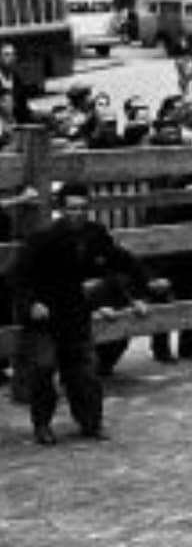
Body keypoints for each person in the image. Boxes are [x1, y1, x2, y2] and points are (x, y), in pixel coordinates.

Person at [10, 182, 151, 445]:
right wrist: (31, 304)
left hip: (76, 313)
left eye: (83, 208)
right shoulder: (43, 238)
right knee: (43, 368)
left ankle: (90, 422)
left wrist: (141, 292)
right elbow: (18, 275)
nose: (77, 214)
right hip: (46, 316)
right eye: (72, 209)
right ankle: (42, 424)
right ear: (61, 210)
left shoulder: (95, 235)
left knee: (84, 371)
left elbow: (122, 260)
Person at [0, 42, 32, 123]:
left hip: (18, 120)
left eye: (13, 54)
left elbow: (23, 103)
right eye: (7, 54)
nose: (11, 57)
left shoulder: (15, 77)